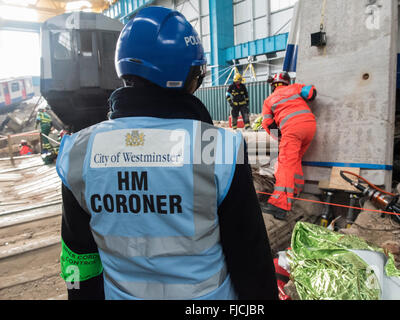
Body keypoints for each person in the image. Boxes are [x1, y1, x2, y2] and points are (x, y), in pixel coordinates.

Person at [55, 6, 277, 300]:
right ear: (190, 76)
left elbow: (77, 258)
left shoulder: (78, 152)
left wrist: (77, 296)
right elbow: (250, 257)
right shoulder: (222, 147)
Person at [259, 72, 317, 220]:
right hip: (309, 127)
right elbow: (311, 92)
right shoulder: (295, 88)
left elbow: (267, 123)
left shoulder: (269, 100)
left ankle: (279, 205)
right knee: (295, 160)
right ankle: (295, 191)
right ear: (286, 82)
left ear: (273, 86)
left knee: (285, 164)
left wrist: (279, 138)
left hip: (292, 130)